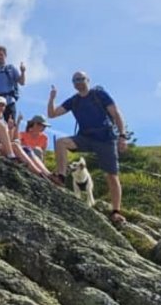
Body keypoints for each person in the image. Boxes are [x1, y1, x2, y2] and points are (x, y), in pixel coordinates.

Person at [48, 71, 130, 225]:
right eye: (75, 80)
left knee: (112, 176)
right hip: (85, 137)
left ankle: (116, 212)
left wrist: (122, 136)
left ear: (88, 80)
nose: (78, 82)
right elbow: (52, 114)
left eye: (81, 79)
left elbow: (116, 113)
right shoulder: (74, 101)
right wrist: (52, 97)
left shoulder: (99, 95)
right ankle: (60, 176)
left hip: (106, 138)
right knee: (61, 142)